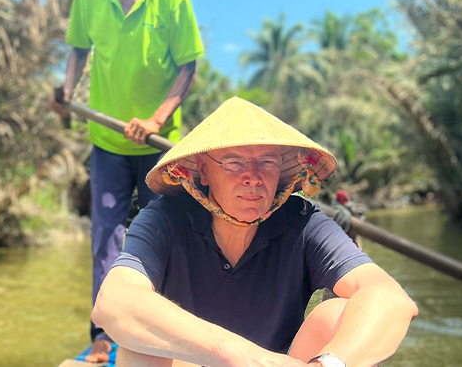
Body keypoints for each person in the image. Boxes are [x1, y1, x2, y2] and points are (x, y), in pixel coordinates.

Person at [92, 98, 418, 366]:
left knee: (339, 313)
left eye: (266, 163)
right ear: (203, 170)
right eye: (233, 163)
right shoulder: (164, 217)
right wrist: (241, 356)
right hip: (201, 362)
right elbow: (114, 302)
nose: (252, 177)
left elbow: (390, 298)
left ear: (280, 172)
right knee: (140, 344)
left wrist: (328, 363)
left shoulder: (303, 221)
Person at [49, 0, 203, 362]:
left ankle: (168, 329)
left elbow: (188, 65)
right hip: (107, 142)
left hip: (159, 145)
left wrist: (156, 119)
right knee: (107, 237)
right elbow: (77, 50)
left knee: (167, 232)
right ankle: (104, 334)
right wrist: (66, 93)